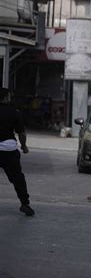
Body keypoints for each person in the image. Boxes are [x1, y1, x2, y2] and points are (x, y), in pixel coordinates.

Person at [0, 88, 35, 216]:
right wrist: (24, 146)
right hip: (8, 149)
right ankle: (25, 204)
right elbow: (21, 133)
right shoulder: (14, 112)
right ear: (7, 97)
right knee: (17, 178)